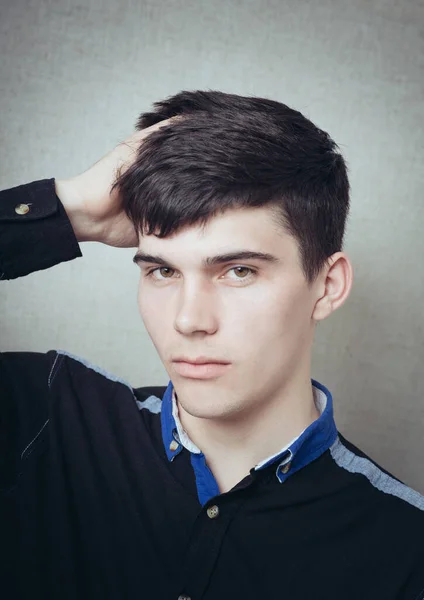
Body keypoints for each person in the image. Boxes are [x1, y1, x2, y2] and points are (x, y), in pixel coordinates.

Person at [0, 90, 423, 600]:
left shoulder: (406, 548)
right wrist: (68, 211)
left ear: (328, 286)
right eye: (161, 270)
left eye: (238, 271)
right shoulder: (44, 414)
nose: (188, 320)